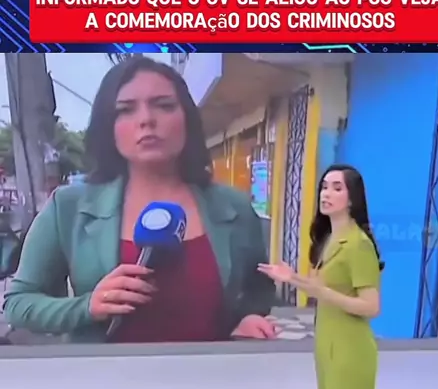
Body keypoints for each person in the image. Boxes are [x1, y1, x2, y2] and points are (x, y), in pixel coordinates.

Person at [4, 56, 276, 344]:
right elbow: (18, 304)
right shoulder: (68, 207)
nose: (146, 119)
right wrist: (87, 306)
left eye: (164, 105)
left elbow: (258, 290)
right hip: (104, 373)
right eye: (126, 110)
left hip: (210, 371)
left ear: (187, 118)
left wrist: (246, 320)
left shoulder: (234, 207)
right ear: (108, 126)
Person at [258, 165, 383, 389]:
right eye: (324, 187)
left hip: (350, 349)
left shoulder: (358, 245)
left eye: (337, 188)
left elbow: (371, 306)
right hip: (326, 345)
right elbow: (319, 288)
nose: (326, 194)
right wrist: (292, 278)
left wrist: (325, 294)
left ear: (352, 199)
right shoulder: (329, 239)